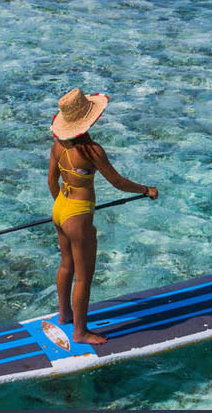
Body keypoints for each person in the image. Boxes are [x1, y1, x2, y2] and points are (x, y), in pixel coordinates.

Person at [48, 88, 158, 344]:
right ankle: (80, 332)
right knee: (84, 277)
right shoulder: (91, 150)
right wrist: (146, 190)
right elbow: (118, 182)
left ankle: (65, 315)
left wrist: (63, 209)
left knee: (66, 265)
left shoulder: (57, 145)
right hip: (77, 216)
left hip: (60, 208)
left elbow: (52, 180)